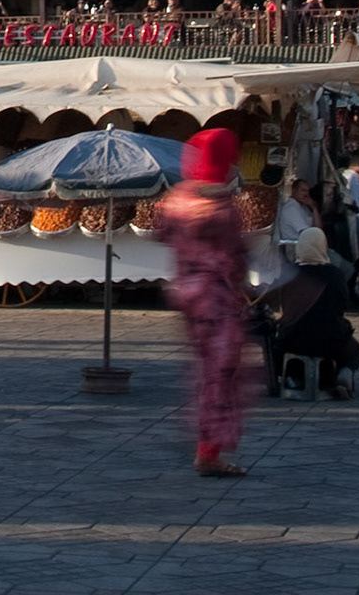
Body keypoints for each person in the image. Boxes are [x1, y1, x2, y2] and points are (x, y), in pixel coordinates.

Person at [155, 128, 252, 477]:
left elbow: (162, 232)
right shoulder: (220, 207)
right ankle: (209, 452)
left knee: (207, 374)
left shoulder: (179, 197)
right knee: (221, 376)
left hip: (187, 295)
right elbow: (238, 258)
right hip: (216, 300)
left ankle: (208, 448)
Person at [278, 228, 359, 399]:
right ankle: (344, 373)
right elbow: (341, 306)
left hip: (295, 341)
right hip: (330, 341)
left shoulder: (288, 274)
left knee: (277, 345)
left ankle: (293, 377)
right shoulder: (335, 275)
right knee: (352, 347)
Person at [275, 176, 317, 265]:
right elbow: (309, 234)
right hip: (297, 250)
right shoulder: (291, 208)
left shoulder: (303, 207)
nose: (306, 194)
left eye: (307, 191)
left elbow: (319, 228)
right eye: (303, 190)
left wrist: (313, 207)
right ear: (294, 190)